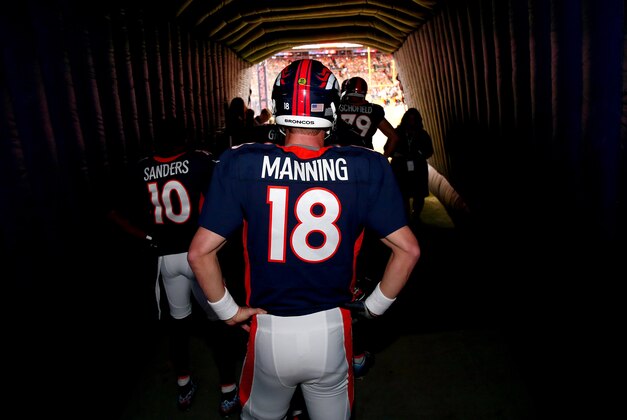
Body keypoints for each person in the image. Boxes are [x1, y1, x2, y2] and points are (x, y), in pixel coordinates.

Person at [188, 59, 420, 420]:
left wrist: (228, 313)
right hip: (332, 327)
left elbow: (200, 253)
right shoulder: (365, 166)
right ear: (331, 108)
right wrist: (372, 308)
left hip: (270, 329)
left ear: (279, 106)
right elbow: (408, 249)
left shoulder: (243, 163)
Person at [107, 116, 244, 416]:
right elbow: (224, 198)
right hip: (199, 254)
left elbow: (114, 211)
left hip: (165, 258)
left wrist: (145, 235)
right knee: (218, 322)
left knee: (178, 325)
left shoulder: (141, 167)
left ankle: (183, 385)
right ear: (186, 136)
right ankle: (228, 391)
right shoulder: (199, 162)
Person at [334, 76, 399, 158]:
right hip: (366, 157)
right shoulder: (374, 110)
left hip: (342, 158)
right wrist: (384, 159)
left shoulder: (337, 107)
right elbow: (394, 137)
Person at [390, 107, 434, 223]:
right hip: (401, 168)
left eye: (414, 120)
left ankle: (416, 216)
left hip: (418, 168)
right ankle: (406, 218)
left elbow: (429, 151)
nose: (411, 122)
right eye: (409, 120)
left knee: (419, 195)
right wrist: (397, 154)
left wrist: (419, 154)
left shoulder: (422, 134)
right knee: (402, 194)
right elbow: (388, 148)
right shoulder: (397, 132)